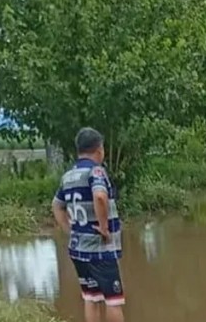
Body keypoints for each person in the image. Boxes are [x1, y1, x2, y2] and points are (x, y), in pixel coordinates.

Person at [52, 127, 125, 322]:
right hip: (100, 248)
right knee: (113, 299)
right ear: (99, 149)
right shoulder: (96, 171)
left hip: (78, 249)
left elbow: (56, 206)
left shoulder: (68, 176)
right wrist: (103, 227)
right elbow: (100, 196)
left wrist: (70, 230)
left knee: (91, 297)